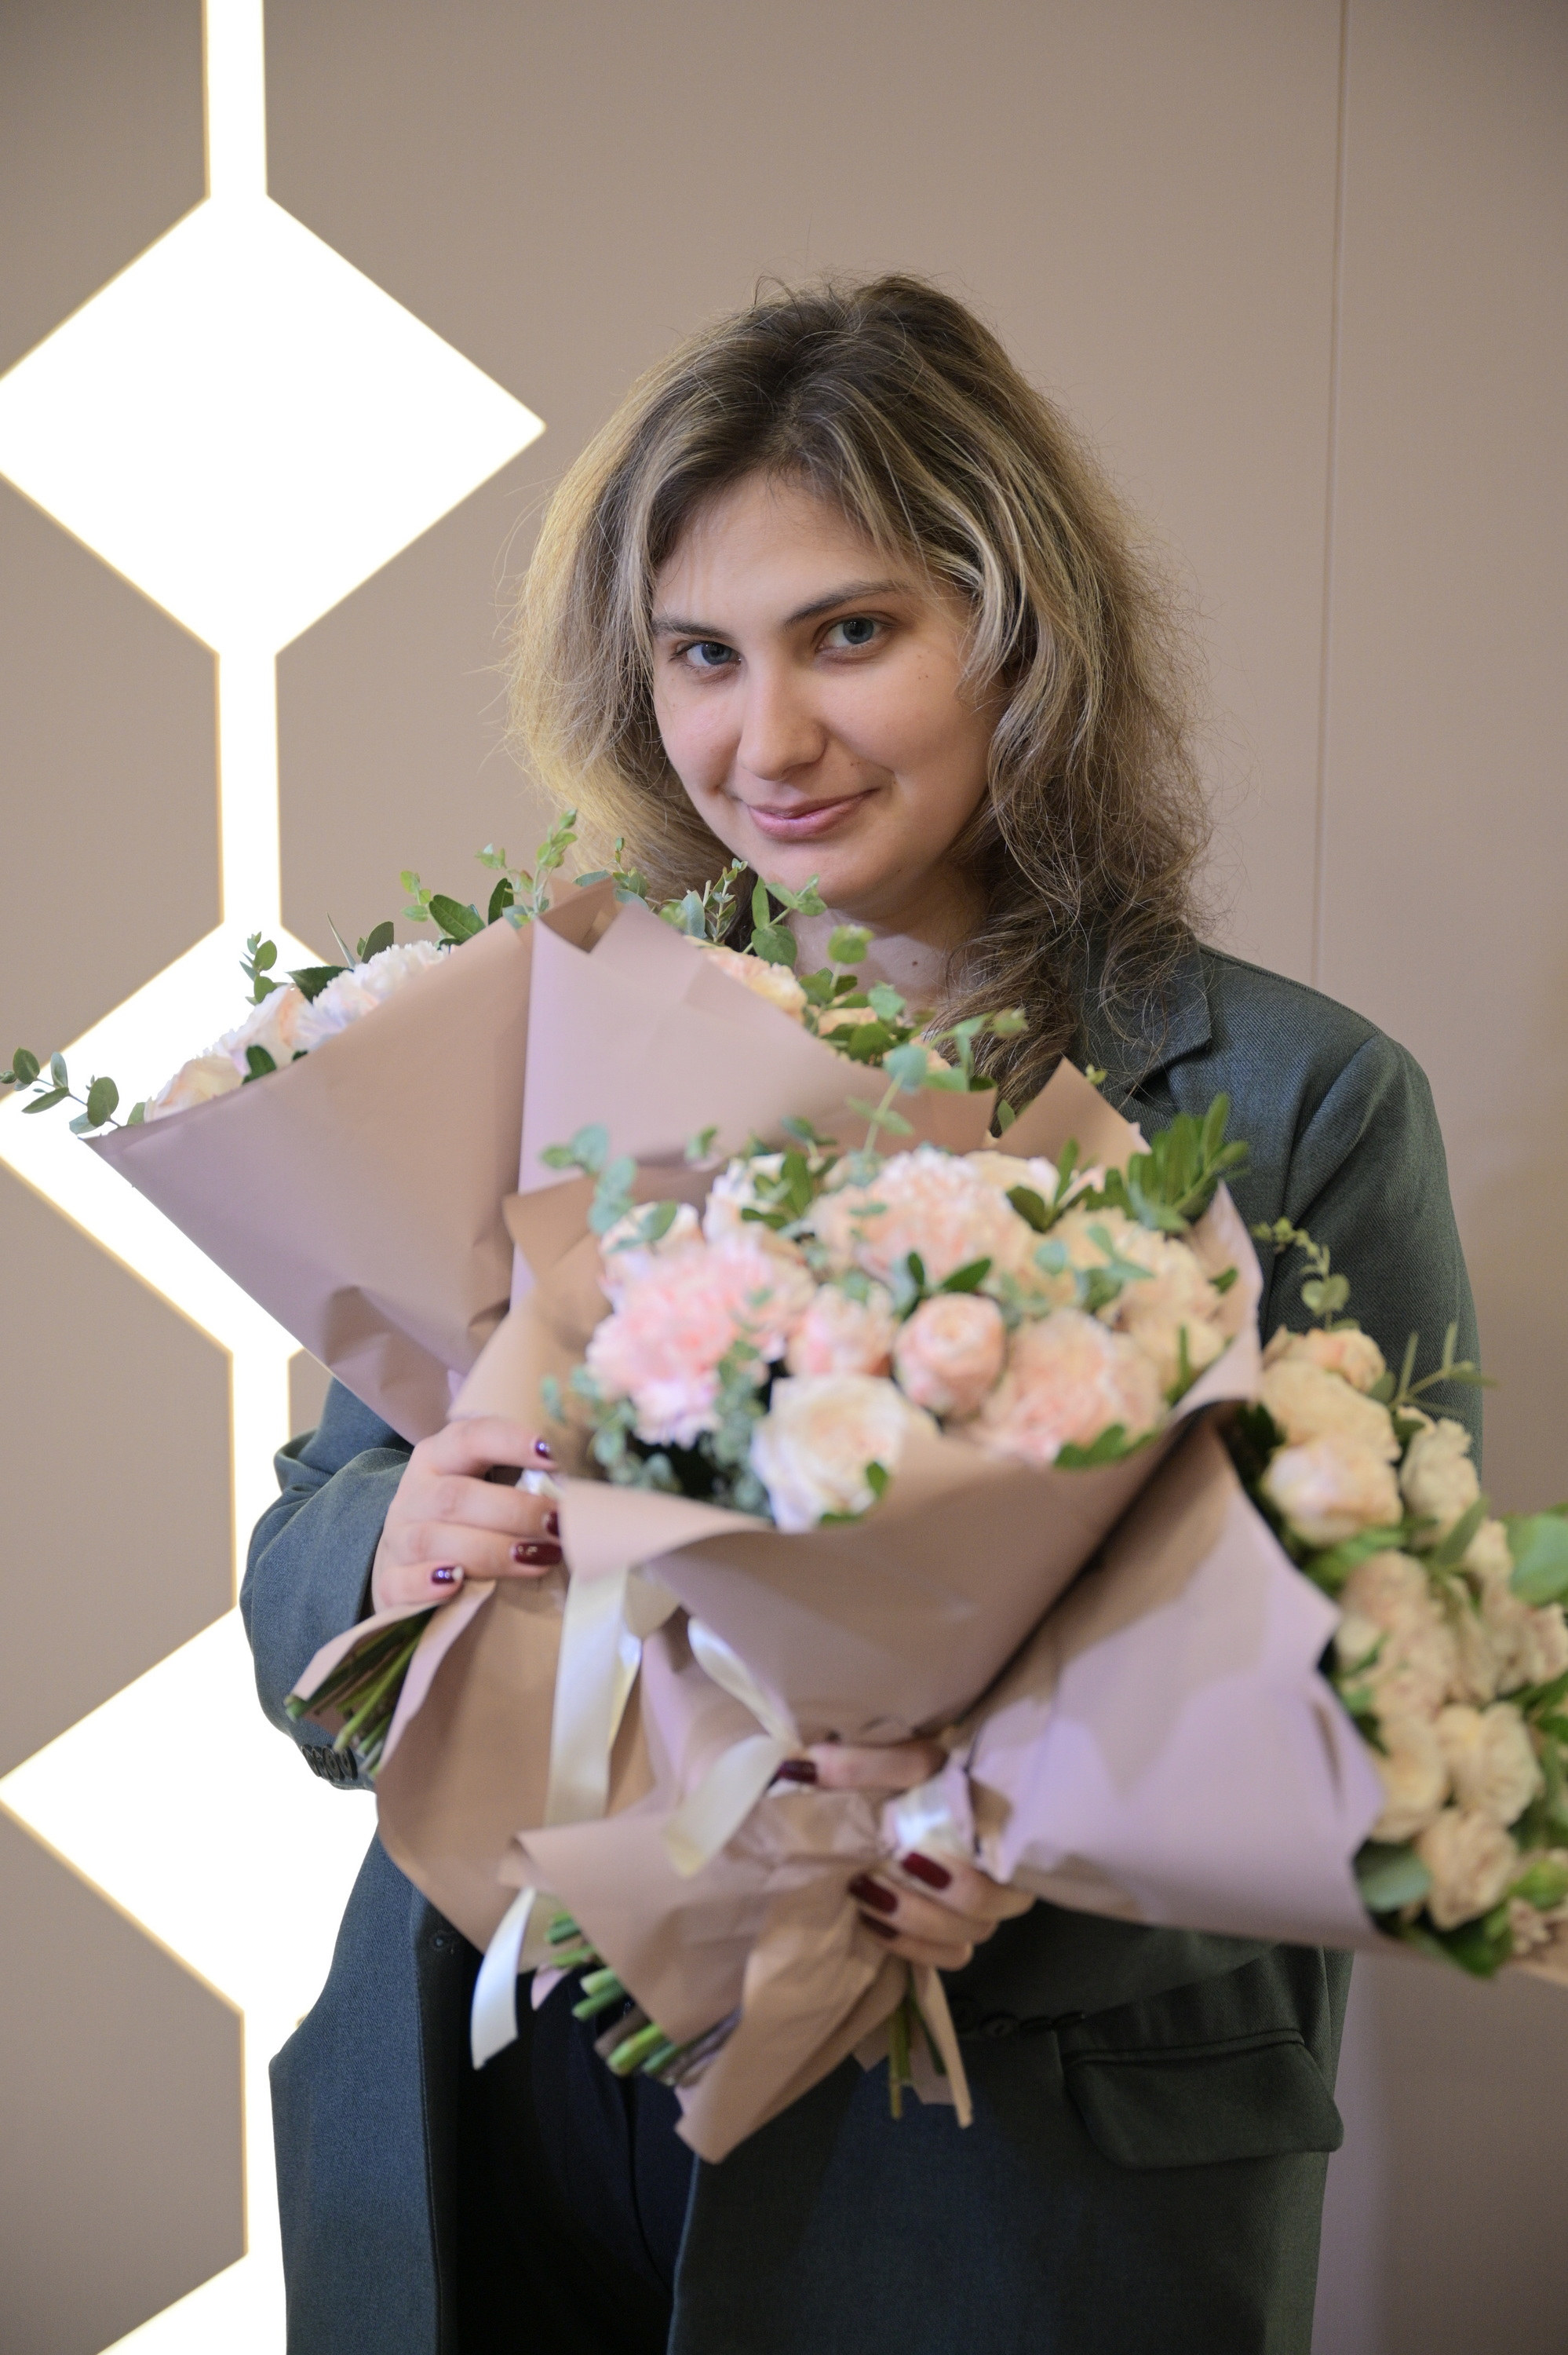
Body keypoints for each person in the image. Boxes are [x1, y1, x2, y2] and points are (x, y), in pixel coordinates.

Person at [243, 276, 1478, 2355]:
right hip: (499, 2108)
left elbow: (1394, 1698)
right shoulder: (541, 1024)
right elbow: (302, 1551)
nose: (769, 742)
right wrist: (388, 1541)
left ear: (1021, 638)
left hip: (988, 2163)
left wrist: (1038, 1855)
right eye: (702, 655)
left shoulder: (1291, 1102)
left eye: (850, 633)